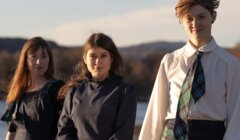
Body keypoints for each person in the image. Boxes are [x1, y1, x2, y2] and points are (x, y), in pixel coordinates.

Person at [139, 0, 240, 139]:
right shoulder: (169, 61)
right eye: (189, 18)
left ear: (213, 16)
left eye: (201, 17)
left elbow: (236, 119)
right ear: (182, 21)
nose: (195, 23)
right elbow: (156, 112)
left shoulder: (230, 65)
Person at [57, 33, 136, 140]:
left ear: (111, 59)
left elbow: (124, 134)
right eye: (92, 56)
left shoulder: (124, 92)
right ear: (85, 59)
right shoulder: (74, 90)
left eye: (103, 56)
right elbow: (64, 131)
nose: (97, 62)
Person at [3, 37, 65, 140]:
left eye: (44, 57)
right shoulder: (18, 91)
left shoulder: (57, 88)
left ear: (49, 60)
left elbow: (66, 129)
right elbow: (11, 131)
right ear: (25, 60)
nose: (38, 62)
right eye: (33, 57)